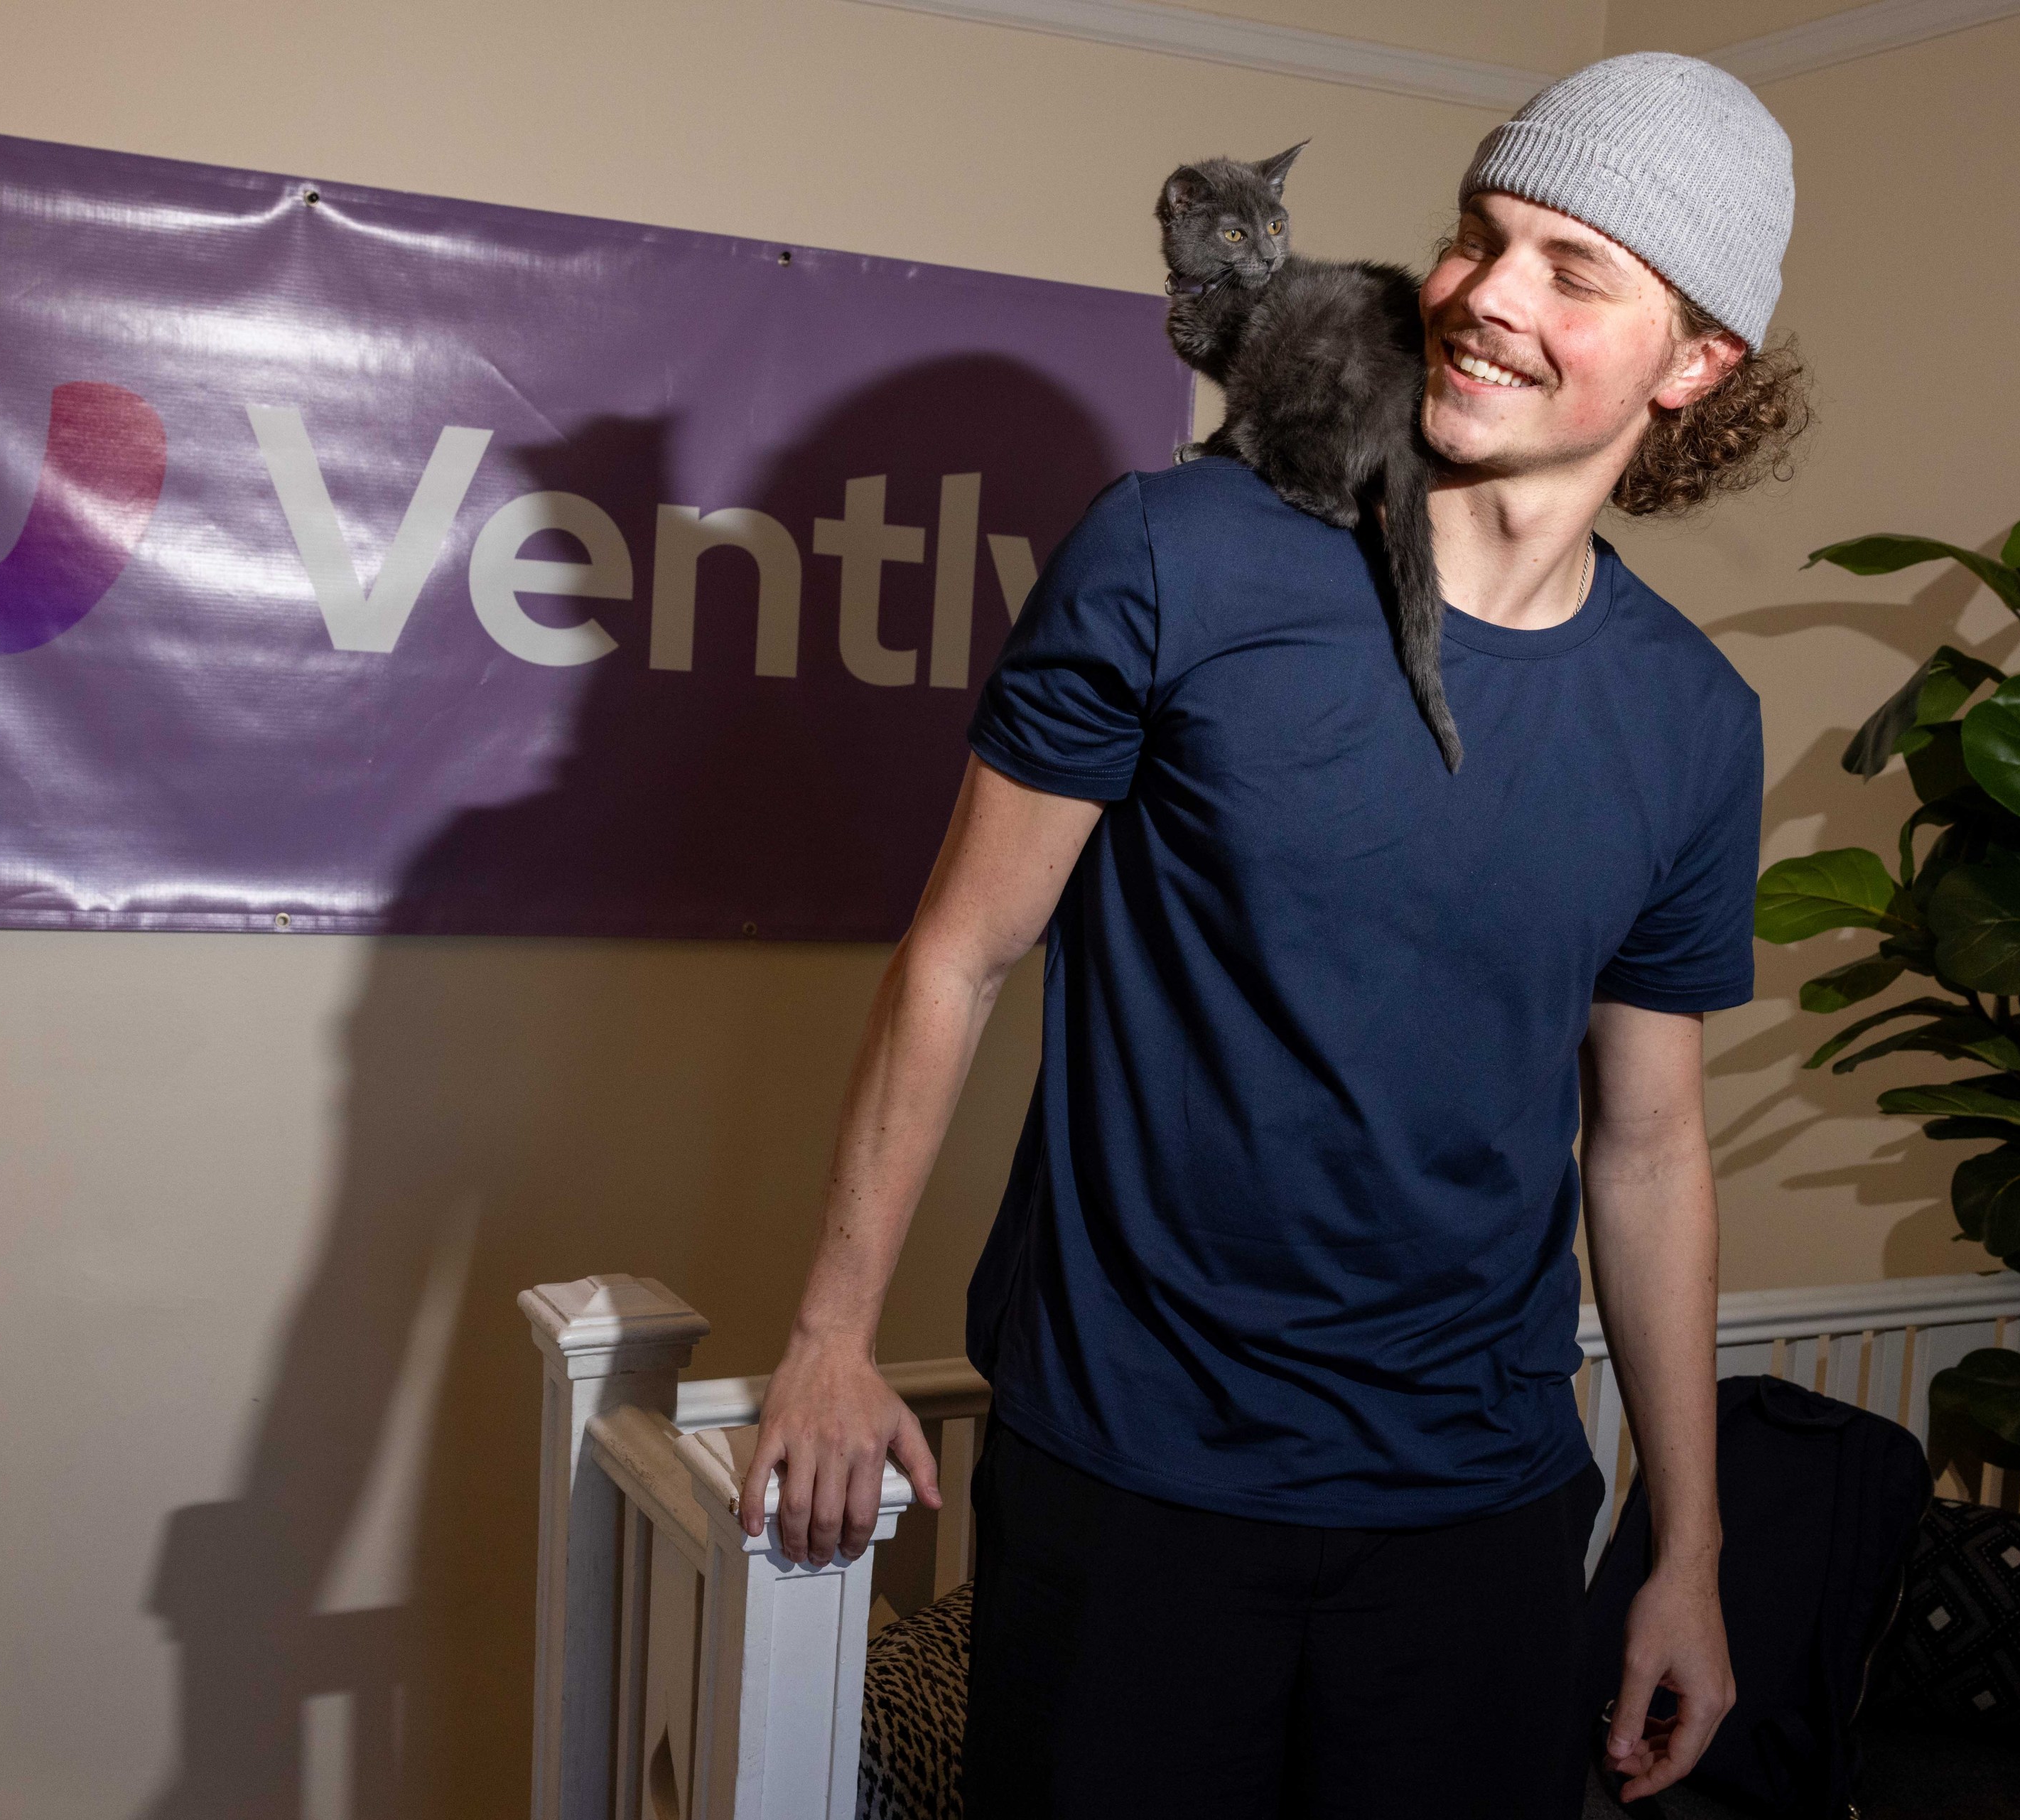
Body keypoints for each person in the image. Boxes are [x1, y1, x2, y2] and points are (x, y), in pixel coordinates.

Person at [739, 51, 1811, 1818]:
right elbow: (960, 955)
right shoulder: (1178, 556)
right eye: (1482, 233)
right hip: (1132, 1479)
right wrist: (834, 1337)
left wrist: (1681, 1545)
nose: (1478, 298)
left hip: (1479, 1510)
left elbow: (1649, 1139)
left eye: (1573, 269)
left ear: (1697, 367)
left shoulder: (1693, 720)